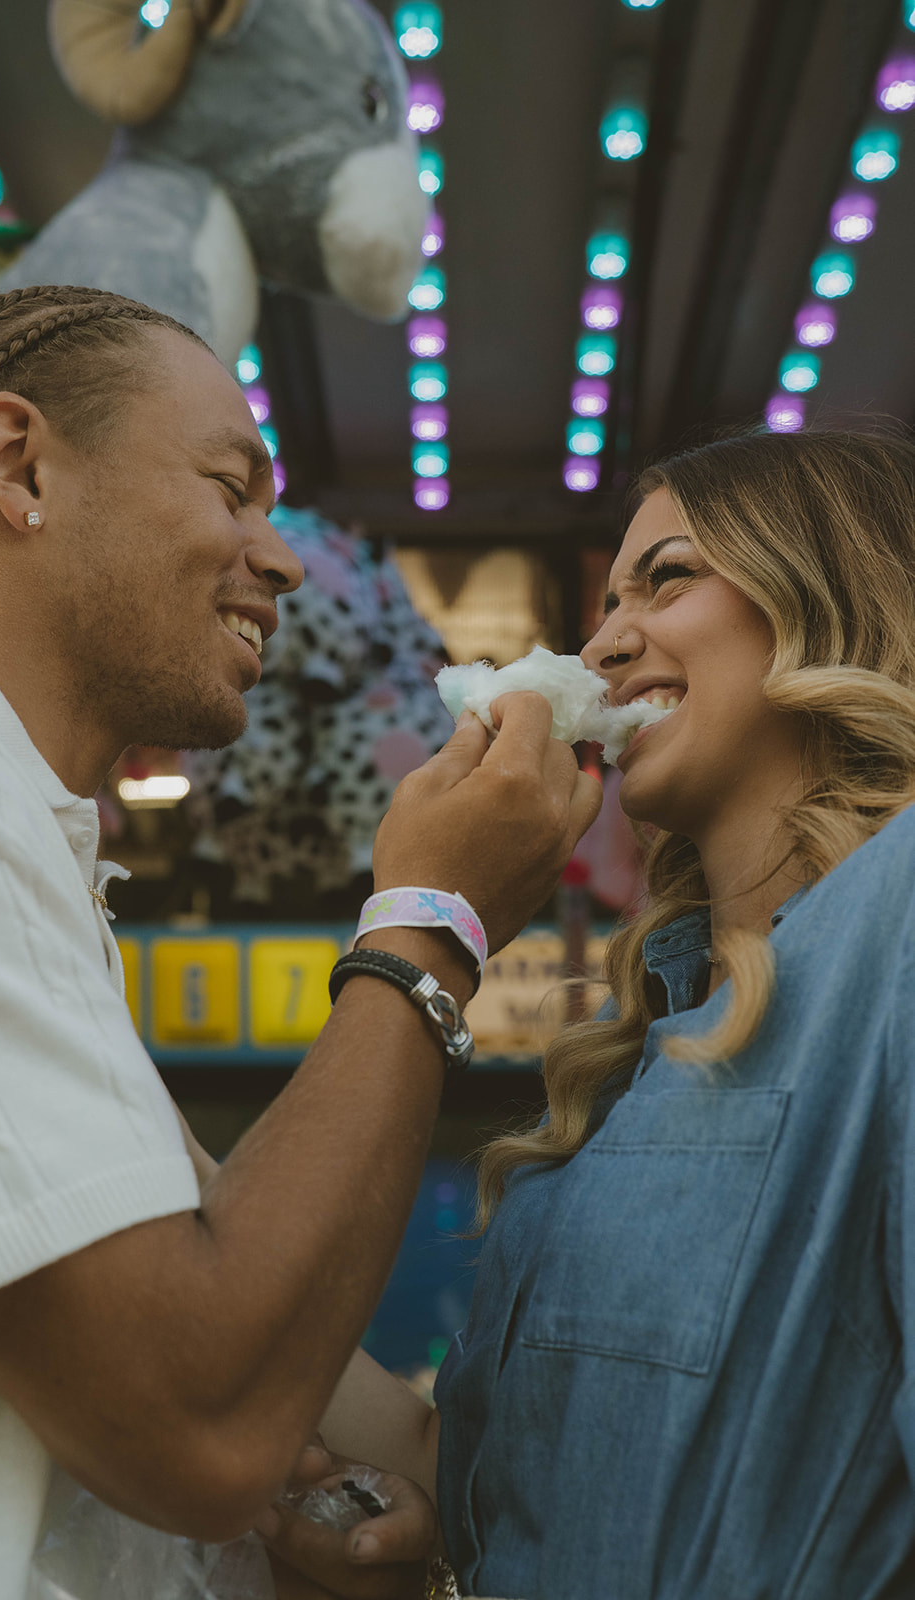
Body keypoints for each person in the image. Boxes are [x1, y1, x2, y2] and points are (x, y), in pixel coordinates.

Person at [0, 284, 600, 1600]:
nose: (283, 556)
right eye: (229, 487)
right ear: (20, 464)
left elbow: (261, 1337)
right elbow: (200, 1420)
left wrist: (415, 1494)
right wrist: (432, 924)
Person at [273, 427, 915, 1600]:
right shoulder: (648, 1042)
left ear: (833, 593)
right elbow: (465, 1471)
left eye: (667, 578)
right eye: (606, 600)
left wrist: (422, 919)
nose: (604, 641)